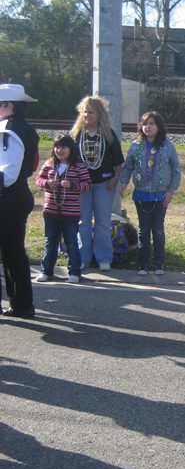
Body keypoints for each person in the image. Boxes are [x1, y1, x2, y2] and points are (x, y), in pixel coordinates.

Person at [119, 112, 181, 275]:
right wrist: (124, 183)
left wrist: (170, 191)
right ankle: (143, 264)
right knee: (144, 229)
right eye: (145, 123)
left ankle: (159, 263)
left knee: (158, 228)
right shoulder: (135, 146)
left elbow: (176, 170)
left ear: (159, 127)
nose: (148, 127)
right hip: (141, 194)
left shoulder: (168, 146)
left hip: (160, 195)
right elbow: (128, 167)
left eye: (152, 123)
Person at [71, 96, 125, 271]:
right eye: (84, 112)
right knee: (83, 222)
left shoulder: (107, 133)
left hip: (104, 183)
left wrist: (115, 178)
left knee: (102, 222)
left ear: (99, 113)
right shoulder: (77, 134)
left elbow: (118, 161)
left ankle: (103, 258)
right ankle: (83, 257)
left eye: (91, 112)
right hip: (82, 185)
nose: (87, 115)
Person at [0, 83, 40, 319]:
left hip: (8, 197)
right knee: (13, 252)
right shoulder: (26, 128)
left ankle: (22, 304)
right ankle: (21, 304)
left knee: (12, 253)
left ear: (10, 106)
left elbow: (7, 174)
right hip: (17, 195)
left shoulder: (8, 129)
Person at [35, 135, 91, 283]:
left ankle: (74, 272)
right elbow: (38, 180)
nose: (60, 150)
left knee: (71, 243)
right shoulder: (49, 164)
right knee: (50, 242)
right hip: (51, 212)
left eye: (63, 147)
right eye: (57, 147)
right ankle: (46, 271)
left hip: (70, 213)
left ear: (70, 149)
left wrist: (73, 185)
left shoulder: (79, 166)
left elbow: (87, 185)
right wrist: (47, 183)